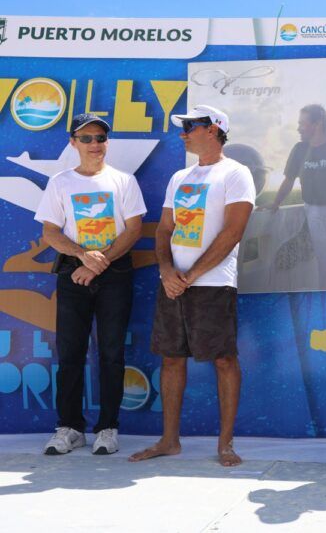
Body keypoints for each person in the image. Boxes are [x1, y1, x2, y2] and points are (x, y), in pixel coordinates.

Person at [129, 105, 256, 467]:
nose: (183, 134)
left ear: (213, 129)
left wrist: (193, 274)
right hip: (174, 284)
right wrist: (167, 271)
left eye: (190, 127)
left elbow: (233, 232)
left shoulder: (237, 173)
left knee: (224, 359)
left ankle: (225, 444)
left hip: (213, 283)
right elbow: (165, 230)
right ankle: (169, 441)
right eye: (183, 128)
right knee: (171, 358)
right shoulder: (179, 177)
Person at [34, 113, 146, 455]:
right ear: (74, 143)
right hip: (73, 273)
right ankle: (69, 427)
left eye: (100, 138)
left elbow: (134, 230)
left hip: (114, 274)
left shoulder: (124, 181)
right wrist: (83, 256)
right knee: (70, 352)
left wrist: (99, 263)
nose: (94, 144)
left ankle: (108, 428)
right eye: (86, 138)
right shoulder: (60, 182)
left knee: (111, 352)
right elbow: (50, 231)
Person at [267, 104, 326, 290]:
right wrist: (275, 203)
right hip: (316, 211)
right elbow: (288, 180)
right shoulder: (299, 150)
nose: (298, 128)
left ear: (317, 124)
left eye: (302, 124)